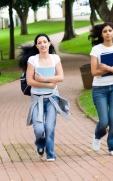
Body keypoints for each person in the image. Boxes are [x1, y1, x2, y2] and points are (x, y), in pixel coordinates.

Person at [18, 33, 70, 162]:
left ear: (49, 43)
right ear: (36, 46)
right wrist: (49, 84)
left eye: (44, 42)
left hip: (52, 98)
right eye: (39, 42)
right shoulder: (33, 60)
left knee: (50, 127)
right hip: (37, 99)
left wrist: (45, 79)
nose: (42, 44)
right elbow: (29, 81)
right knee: (39, 130)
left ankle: (50, 154)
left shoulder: (55, 58)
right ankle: (40, 144)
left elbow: (61, 77)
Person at [88, 22, 113, 156]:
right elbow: (93, 72)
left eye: (110, 30)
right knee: (104, 121)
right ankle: (98, 136)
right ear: (101, 34)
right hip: (99, 89)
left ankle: (112, 146)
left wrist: (107, 68)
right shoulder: (96, 49)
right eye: (105, 31)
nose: (108, 33)